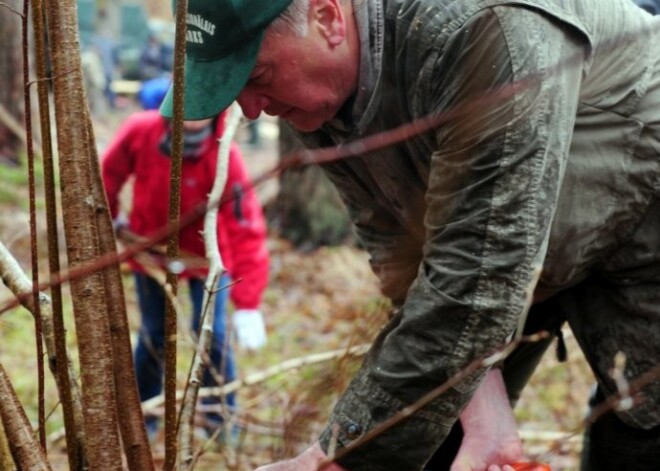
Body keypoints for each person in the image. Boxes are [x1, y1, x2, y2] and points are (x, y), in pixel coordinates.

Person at [160, 0, 660, 469]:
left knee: (643, 425)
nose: (249, 109)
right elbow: (403, 252)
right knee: (435, 435)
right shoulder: (319, 98)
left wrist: (339, 458)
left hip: (645, 211)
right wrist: (482, 408)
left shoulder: (484, 31)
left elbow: (477, 283)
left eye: (258, 76)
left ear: (328, 17)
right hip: (515, 233)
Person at [101, 108, 270, 439]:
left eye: (202, 107)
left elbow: (245, 224)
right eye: (187, 105)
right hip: (151, 253)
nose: (195, 115)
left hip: (207, 259)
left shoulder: (225, 155)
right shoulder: (140, 131)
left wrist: (248, 302)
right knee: (154, 334)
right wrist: (110, 219)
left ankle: (220, 420)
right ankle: (144, 418)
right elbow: (108, 174)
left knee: (211, 334)